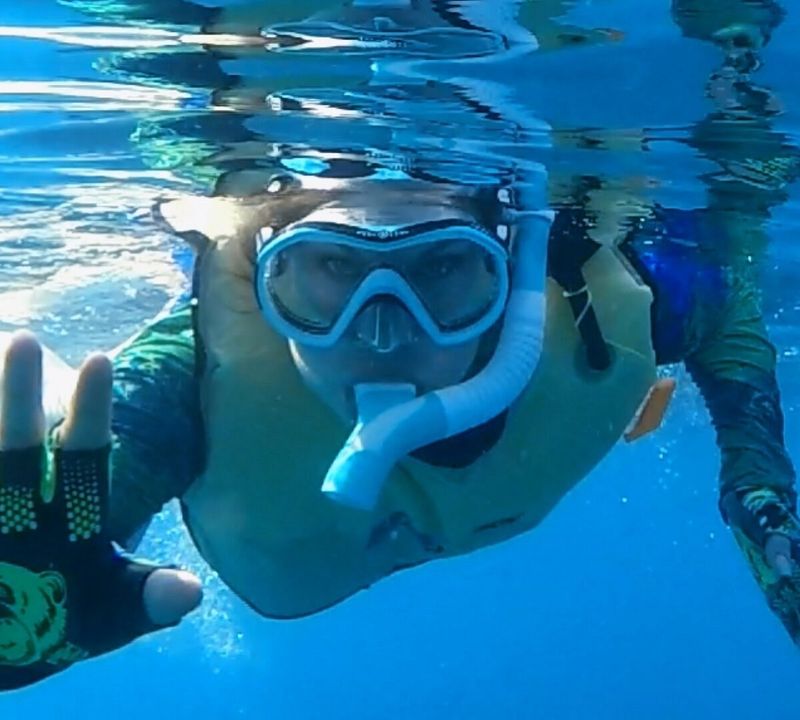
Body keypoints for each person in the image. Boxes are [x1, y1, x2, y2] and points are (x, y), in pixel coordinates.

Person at [1, 162, 799, 690]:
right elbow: (99, 486)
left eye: (442, 268)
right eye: (331, 269)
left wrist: (760, 489)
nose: (381, 334)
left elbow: (729, 323)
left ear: (513, 275)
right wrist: (15, 627)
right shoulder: (197, 371)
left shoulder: (603, 308)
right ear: (271, 281)